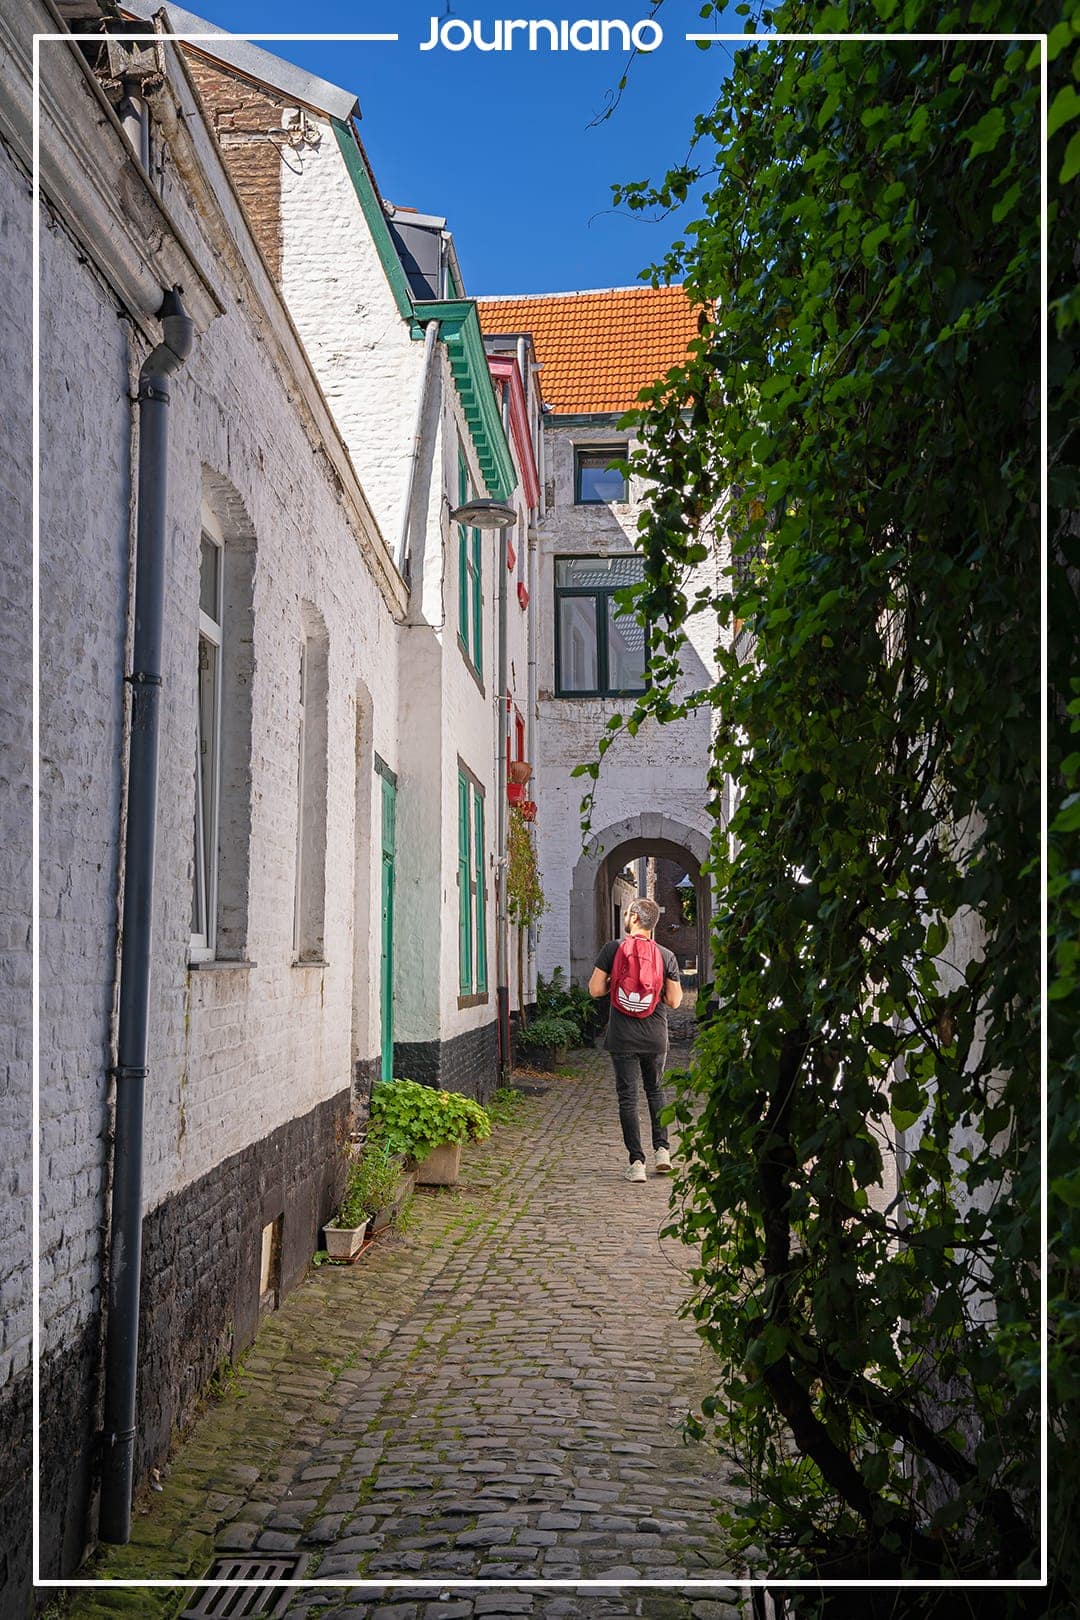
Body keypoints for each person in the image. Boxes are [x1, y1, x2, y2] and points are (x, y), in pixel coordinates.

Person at [588, 895, 682, 1183]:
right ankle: (663, 1151)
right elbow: (675, 1001)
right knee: (655, 1091)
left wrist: (616, 986)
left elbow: (594, 990)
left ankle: (637, 1163)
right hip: (655, 1036)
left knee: (628, 1098)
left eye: (628, 913)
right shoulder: (666, 955)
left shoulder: (613, 949)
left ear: (635, 919)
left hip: (622, 1036)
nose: (625, 917)